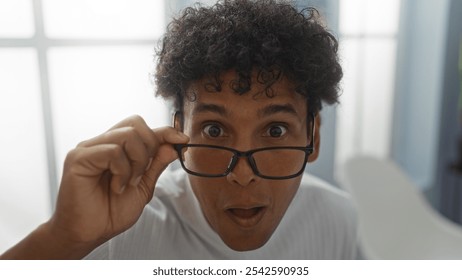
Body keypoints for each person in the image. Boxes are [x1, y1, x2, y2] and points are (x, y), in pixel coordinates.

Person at [0, 0, 357, 259]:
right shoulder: (118, 235)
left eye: (276, 130)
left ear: (314, 137)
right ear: (179, 136)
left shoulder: (337, 219)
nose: (243, 175)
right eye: (215, 130)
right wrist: (62, 239)